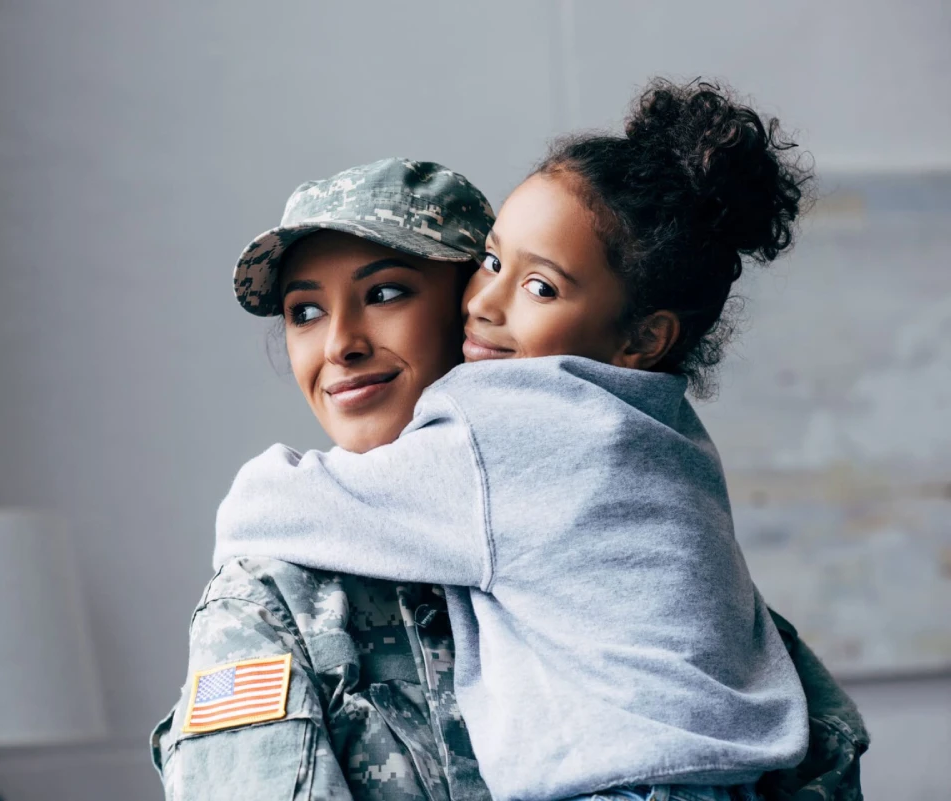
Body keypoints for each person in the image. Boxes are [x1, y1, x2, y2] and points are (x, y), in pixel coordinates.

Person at [214, 83, 860, 801]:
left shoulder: (508, 437)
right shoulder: (661, 436)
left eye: (389, 292)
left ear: (645, 338)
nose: (340, 345)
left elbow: (269, 503)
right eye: (304, 311)